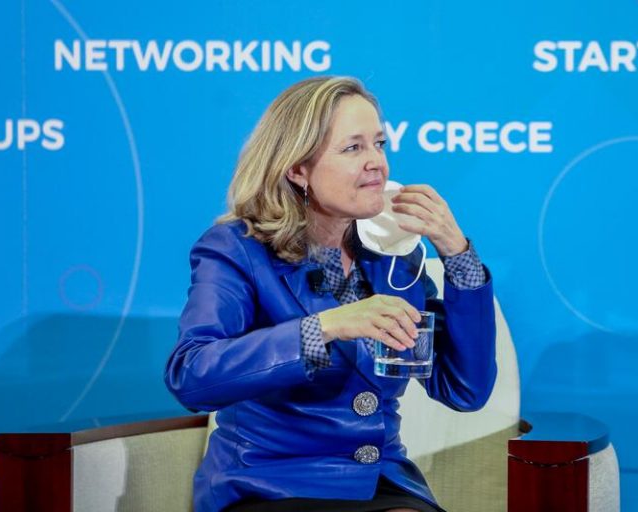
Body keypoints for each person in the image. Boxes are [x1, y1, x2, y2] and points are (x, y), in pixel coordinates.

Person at [164, 76, 497, 512]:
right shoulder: (236, 249)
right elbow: (192, 375)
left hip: (382, 482)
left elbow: (465, 390)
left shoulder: (394, 256)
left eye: (379, 144)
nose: (377, 163)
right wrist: (325, 328)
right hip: (271, 482)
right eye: (353, 148)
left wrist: (457, 253)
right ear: (297, 169)